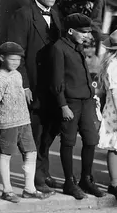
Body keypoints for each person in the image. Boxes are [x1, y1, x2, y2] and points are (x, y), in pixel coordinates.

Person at [2, 0, 65, 192]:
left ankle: (44, 170)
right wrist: (24, 85)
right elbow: (15, 54)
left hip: (53, 85)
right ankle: (36, 177)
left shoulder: (56, 14)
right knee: (35, 132)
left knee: (50, 129)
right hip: (34, 84)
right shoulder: (23, 15)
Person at [49, 13, 104, 200]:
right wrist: (63, 105)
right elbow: (57, 81)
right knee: (68, 142)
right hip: (70, 102)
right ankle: (69, 182)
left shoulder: (78, 47)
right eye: (83, 32)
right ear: (71, 31)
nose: (86, 36)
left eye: (88, 32)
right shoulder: (59, 48)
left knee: (91, 139)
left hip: (86, 101)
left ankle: (86, 179)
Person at [0, 41, 49, 202]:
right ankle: (7, 190)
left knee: (31, 152)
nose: (16, 62)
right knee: (6, 155)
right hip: (7, 123)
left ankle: (29, 188)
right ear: (2, 58)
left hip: (23, 120)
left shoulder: (18, 75)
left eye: (18, 59)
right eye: (12, 59)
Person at [96, 31, 117, 197]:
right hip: (115, 109)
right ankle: (114, 183)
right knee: (114, 146)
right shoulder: (114, 65)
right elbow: (115, 92)